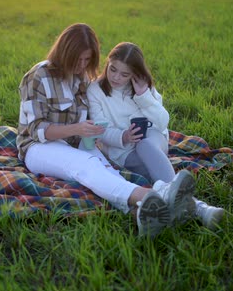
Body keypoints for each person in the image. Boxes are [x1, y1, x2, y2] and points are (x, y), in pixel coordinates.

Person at [16, 24, 195, 238]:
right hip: (38, 146)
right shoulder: (38, 76)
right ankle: (152, 196)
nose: (82, 66)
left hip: (77, 140)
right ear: (64, 52)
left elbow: (96, 117)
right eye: (77, 59)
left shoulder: (81, 77)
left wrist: (93, 130)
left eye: (87, 60)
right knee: (85, 165)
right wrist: (77, 128)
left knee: (107, 170)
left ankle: (141, 212)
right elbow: (36, 129)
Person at [87, 42, 225, 230]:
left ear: (134, 73)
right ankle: (201, 209)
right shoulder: (95, 90)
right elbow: (100, 129)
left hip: (154, 140)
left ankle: (188, 205)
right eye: (113, 69)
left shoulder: (143, 86)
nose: (116, 77)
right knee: (157, 179)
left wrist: (143, 95)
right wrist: (124, 137)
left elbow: (162, 122)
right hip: (123, 151)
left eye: (124, 74)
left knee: (144, 144)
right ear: (108, 63)